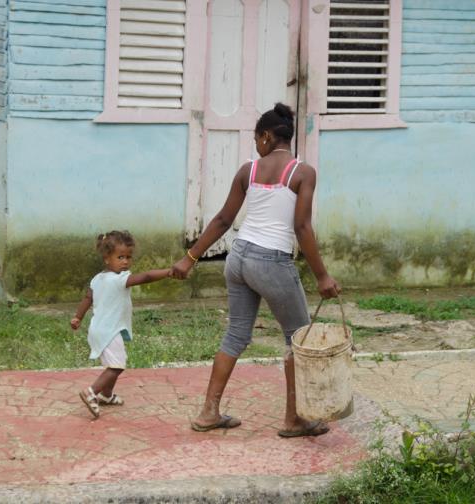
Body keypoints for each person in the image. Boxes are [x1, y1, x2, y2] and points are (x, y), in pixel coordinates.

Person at [172, 103, 341, 437]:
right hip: (271, 261)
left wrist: (190, 257)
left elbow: (222, 220)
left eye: (256, 139)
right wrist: (322, 275)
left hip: (239, 257)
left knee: (236, 334)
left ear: (266, 136)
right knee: (298, 339)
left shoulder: (247, 171)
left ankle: (209, 412)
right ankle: (294, 420)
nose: (256, 147)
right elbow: (303, 227)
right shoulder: (302, 172)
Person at [71, 230, 173, 419]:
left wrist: (77, 317)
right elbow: (146, 277)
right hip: (108, 331)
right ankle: (91, 392)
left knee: (115, 363)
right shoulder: (119, 280)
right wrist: (168, 272)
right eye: (120, 257)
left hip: (100, 329)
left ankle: (106, 395)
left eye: (128, 257)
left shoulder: (97, 279)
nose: (125, 262)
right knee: (116, 366)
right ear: (106, 258)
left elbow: (88, 298)